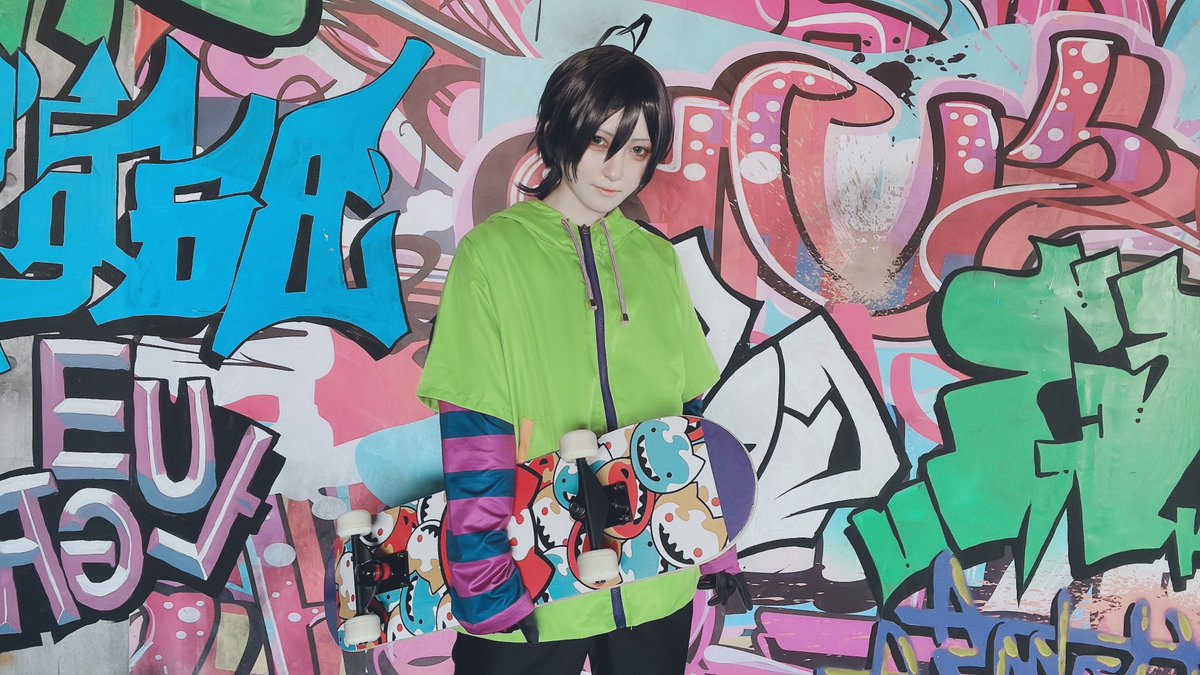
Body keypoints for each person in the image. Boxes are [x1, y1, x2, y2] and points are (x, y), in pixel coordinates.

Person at [416, 20, 750, 675]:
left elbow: (684, 412)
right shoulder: (492, 255)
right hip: (534, 578)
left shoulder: (655, 259)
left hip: (655, 577)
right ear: (561, 128)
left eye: (637, 150)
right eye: (601, 140)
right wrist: (482, 576)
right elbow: (474, 422)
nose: (617, 169)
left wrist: (709, 533)